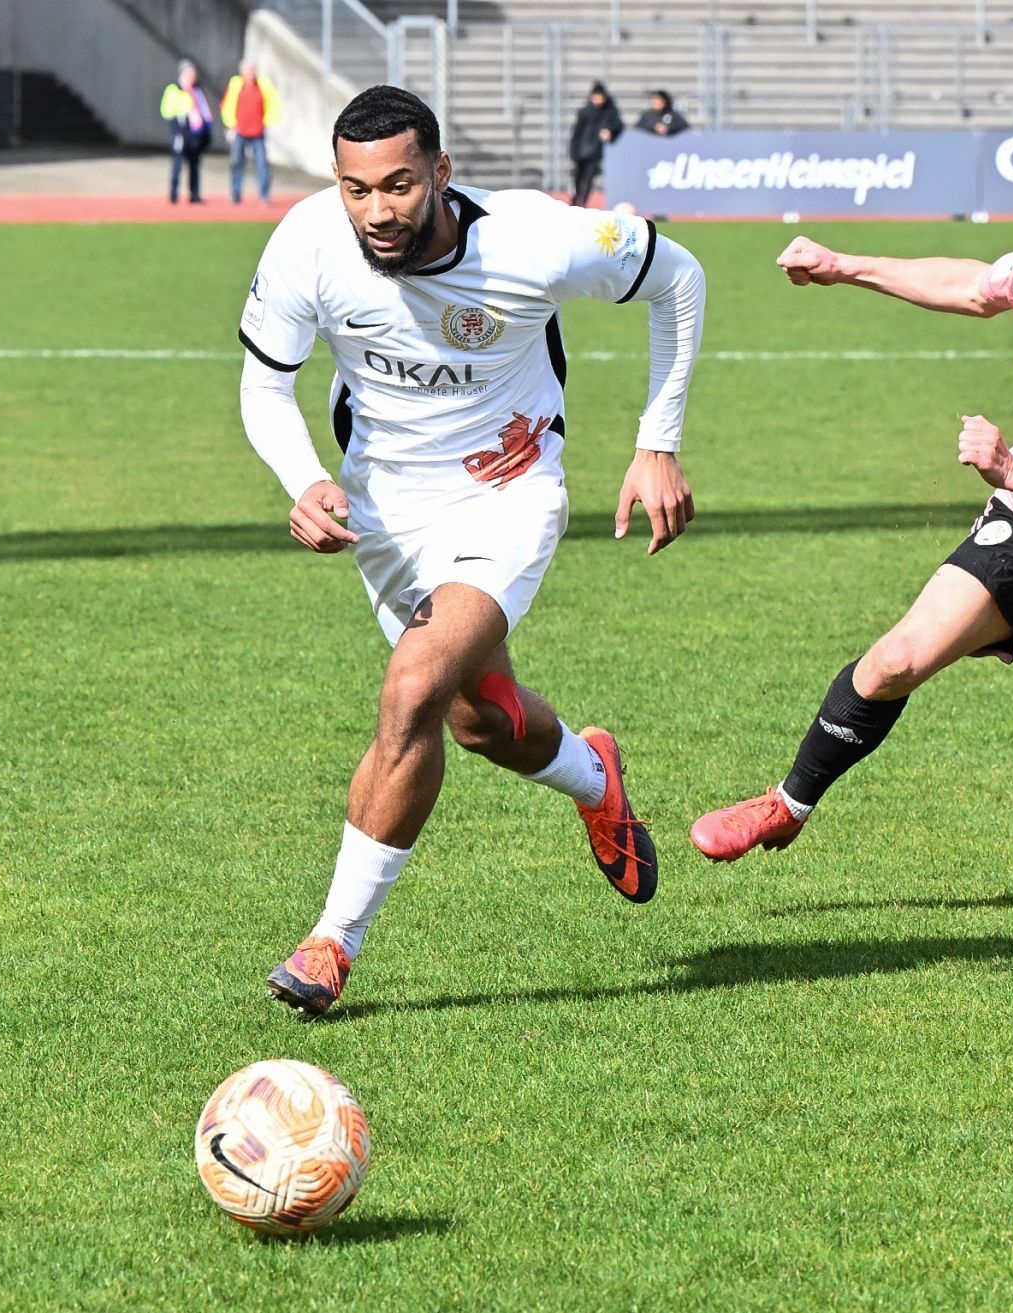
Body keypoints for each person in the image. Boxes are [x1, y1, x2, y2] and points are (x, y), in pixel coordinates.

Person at [238, 85, 706, 1017]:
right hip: (384, 510)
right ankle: (594, 775)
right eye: (356, 189)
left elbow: (679, 277)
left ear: (442, 172)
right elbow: (265, 386)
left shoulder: (536, 239)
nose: (377, 211)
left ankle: (332, 941)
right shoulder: (307, 242)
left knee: (412, 686)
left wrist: (657, 442)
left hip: (507, 495)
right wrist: (306, 479)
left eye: (400, 185)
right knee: (479, 719)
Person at [691, 129, 1013, 892]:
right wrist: (844, 266)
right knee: (897, 658)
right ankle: (789, 802)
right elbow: (973, 286)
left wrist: (1012, 466)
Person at [222, 60, 283, 205]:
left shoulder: (263, 85)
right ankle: (235, 194)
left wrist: (267, 121)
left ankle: (264, 195)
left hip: (258, 132)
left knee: (262, 164)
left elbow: (273, 103)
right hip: (240, 131)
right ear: (242, 72)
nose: (250, 73)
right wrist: (231, 124)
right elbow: (227, 104)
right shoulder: (236, 85)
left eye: (252, 70)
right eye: (247, 70)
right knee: (236, 163)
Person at [160, 60, 213, 204]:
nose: (192, 76)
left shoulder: (197, 89)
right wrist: (178, 130)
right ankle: (174, 194)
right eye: (189, 73)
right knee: (177, 164)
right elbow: (167, 111)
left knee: (195, 165)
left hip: (196, 132)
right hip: (181, 132)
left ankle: (194, 195)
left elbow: (204, 110)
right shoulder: (174, 89)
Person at [568, 82, 624, 206]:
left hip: (595, 152)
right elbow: (577, 132)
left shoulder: (610, 112)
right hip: (581, 151)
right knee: (578, 178)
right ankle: (575, 201)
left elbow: (619, 126)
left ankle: (583, 202)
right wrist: (573, 150)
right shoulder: (585, 112)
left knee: (589, 178)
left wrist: (610, 130)